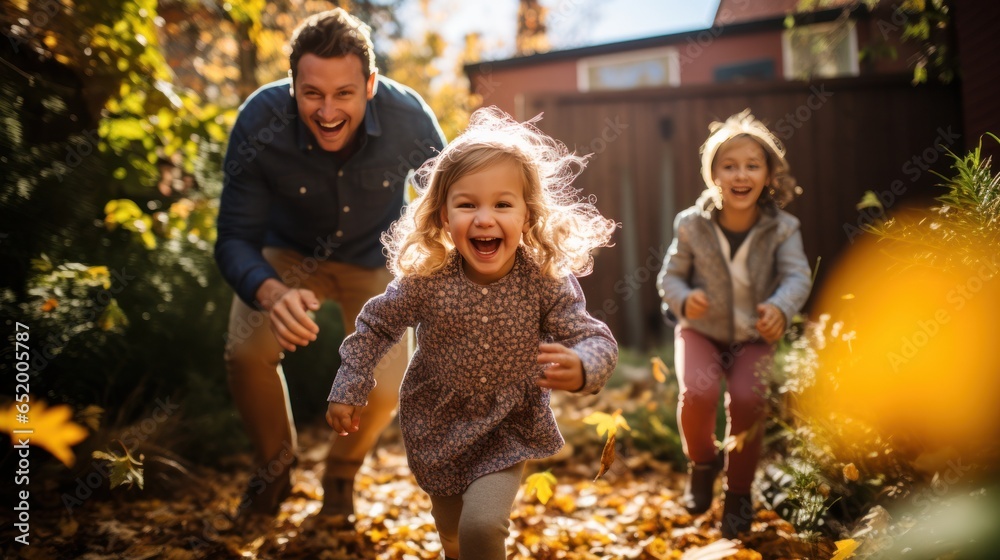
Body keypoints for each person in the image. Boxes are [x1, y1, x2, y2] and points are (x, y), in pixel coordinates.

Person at [326, 107, 619, 559]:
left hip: (508, 425)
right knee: (454, 535)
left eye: (503, 204)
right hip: (436, 422)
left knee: (482, 526)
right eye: (468, 204)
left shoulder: (542, 277)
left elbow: (593, 336)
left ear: (527, 215)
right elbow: (376, 324)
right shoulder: (428, 277)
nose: (485, 218)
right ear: (443, 215)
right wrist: (351, 383)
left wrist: (583, 366)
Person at [214, 8, 446, 519]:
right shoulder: (259, 119)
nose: (327, 112)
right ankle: (273, 469)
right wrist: (272, 293)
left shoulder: (409, 117)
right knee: (246, 351)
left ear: (370, 84)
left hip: (376, 259)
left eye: (344, 93)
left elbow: (448, 204)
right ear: (292, 83)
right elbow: (233, 237)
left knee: (387, 387)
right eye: (312, 94)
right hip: (288, 255)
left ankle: (341, 473)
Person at [656, 110, 811, 539]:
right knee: (698, 393)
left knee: (747, 401)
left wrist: (780, 306)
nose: (740, 175)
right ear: (713, 175)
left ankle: (739, 494)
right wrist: (685, 297)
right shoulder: (691, 224)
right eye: (729, 165)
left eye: (751, 165)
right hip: (701, 328)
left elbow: (798, 275)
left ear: (767, 175)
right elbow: (669, 275)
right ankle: (702, 463)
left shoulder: (782, 228)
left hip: (754, 334)